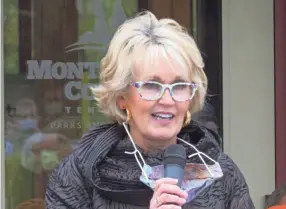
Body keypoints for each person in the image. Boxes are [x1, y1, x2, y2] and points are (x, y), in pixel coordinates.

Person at [45, 11, 254, 209]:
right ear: (121, 98)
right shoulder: (81, 172)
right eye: (152, 85)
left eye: (179, 86)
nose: (167, 99)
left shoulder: (219, 170)